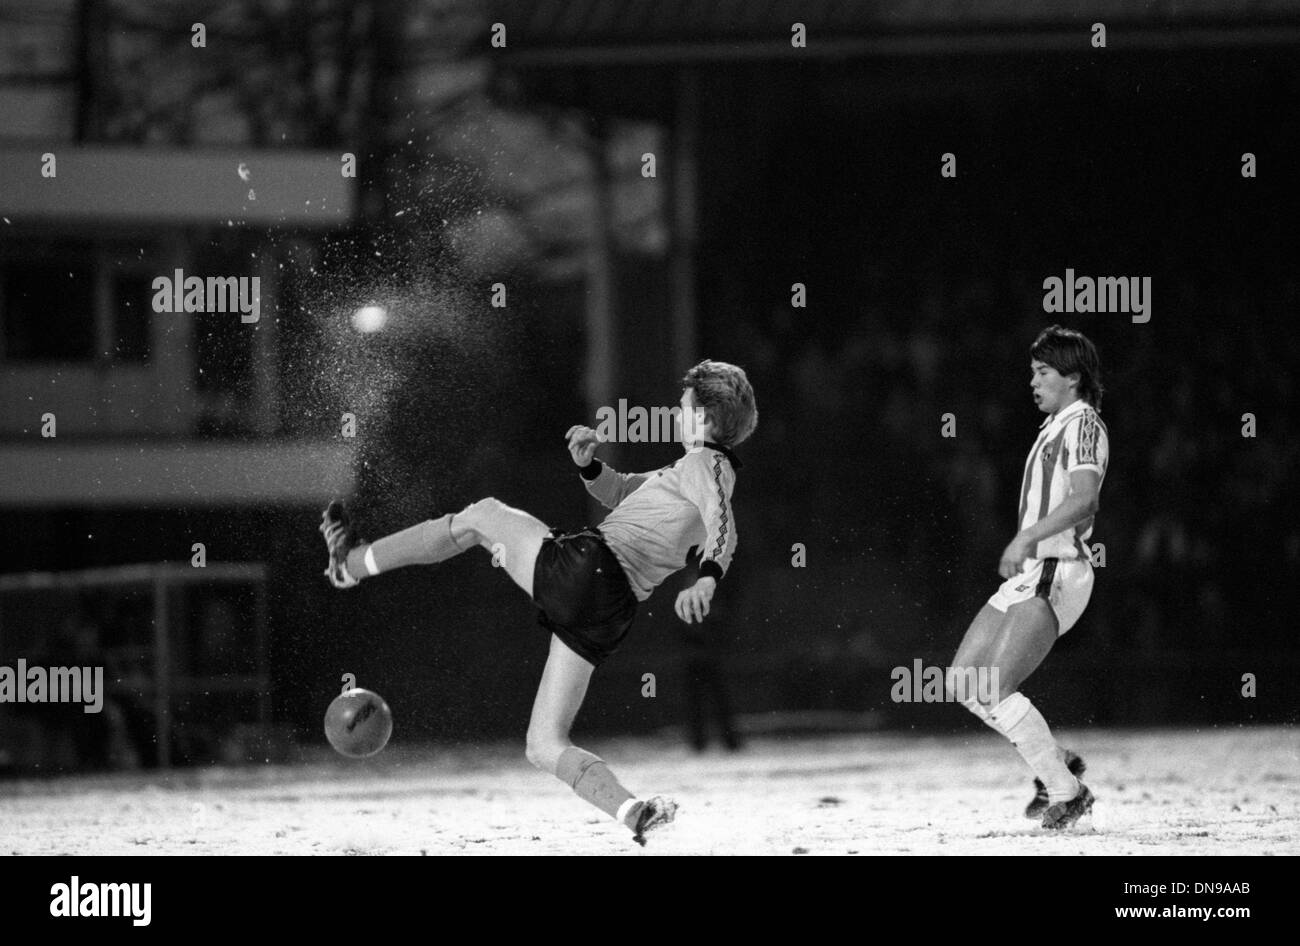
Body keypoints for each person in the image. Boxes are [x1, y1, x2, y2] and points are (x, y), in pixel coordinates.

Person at [319, 360, 757, 845]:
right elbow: (625, 491)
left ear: (706, 420)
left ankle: (351, 564)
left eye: (684, 407)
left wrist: (707, 579)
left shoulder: (706, 465)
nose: (677, 412)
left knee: (482, 516)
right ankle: (632, 810)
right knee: (544, 745)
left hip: (591, 571)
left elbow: (723, 527)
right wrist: (589, 465)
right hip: (607, 613)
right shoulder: (691, 470)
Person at [946, 325, 1109, 829]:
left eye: (1042, 372)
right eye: (1033, 372)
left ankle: (1066, 790)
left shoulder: (1083, 423)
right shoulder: (1056, 424)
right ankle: (1059, 763)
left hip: (1059, 568)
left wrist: (1025, 537)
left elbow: (1085, 498)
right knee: (966, 683)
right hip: (1038, 570)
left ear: (1073, 377)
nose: (1033, 382)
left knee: (993, 684)